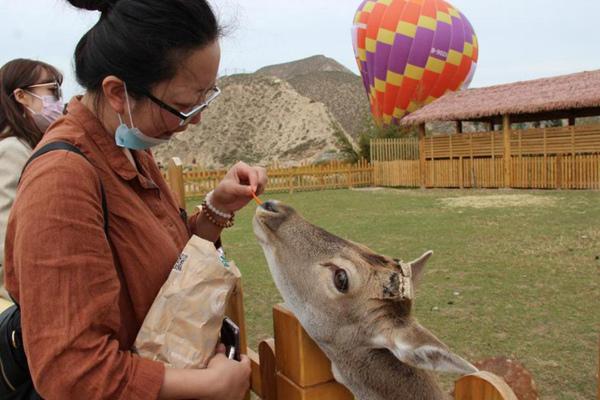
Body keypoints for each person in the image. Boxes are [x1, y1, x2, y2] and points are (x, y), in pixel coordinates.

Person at [4, 0, 266, 399]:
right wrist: (207, 386)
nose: (195, 119)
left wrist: (217, 208)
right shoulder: (61, 182)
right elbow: (73, 374)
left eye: (204, 98)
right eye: (182, 106)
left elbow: (161, 267)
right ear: (116, 92)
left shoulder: (131, 147)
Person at [0, 59, 64, 306]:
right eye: (52, 90)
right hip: (23, 298)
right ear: (21, 96)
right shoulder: (11, 151)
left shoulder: (31, 147)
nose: (58, 100)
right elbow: (9, 240)